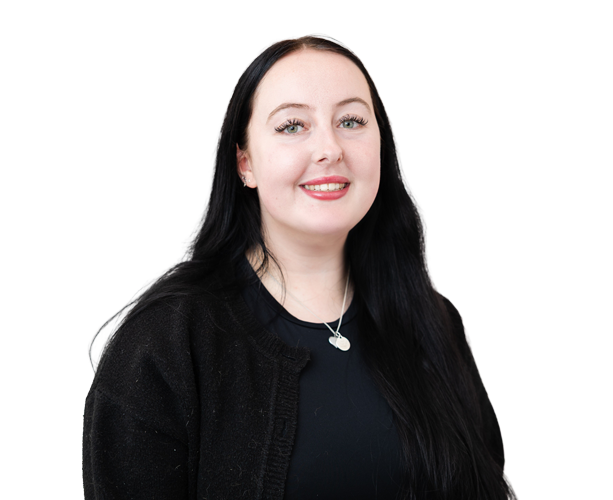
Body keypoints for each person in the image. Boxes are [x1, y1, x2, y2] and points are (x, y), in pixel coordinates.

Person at [83, 35, 517, 499]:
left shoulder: (432, 322)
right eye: (292, 126)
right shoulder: (165, 342)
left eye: (351, 121)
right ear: (245, 163)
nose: (329, 148)